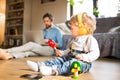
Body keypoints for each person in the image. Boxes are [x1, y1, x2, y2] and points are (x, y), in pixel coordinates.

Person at [26, 12, 100, 76]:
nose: (70, 30)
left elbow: (96, 53)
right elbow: (68, 50)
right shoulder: (75, 39)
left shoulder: (89, 39)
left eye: (72, 28)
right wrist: (62, 53)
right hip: (69, 58)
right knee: (58, 59)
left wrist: (84, 57)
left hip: (82, 63)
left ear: (81, 28)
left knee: (72, 64)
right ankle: (39, 65)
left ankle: (52, 70)